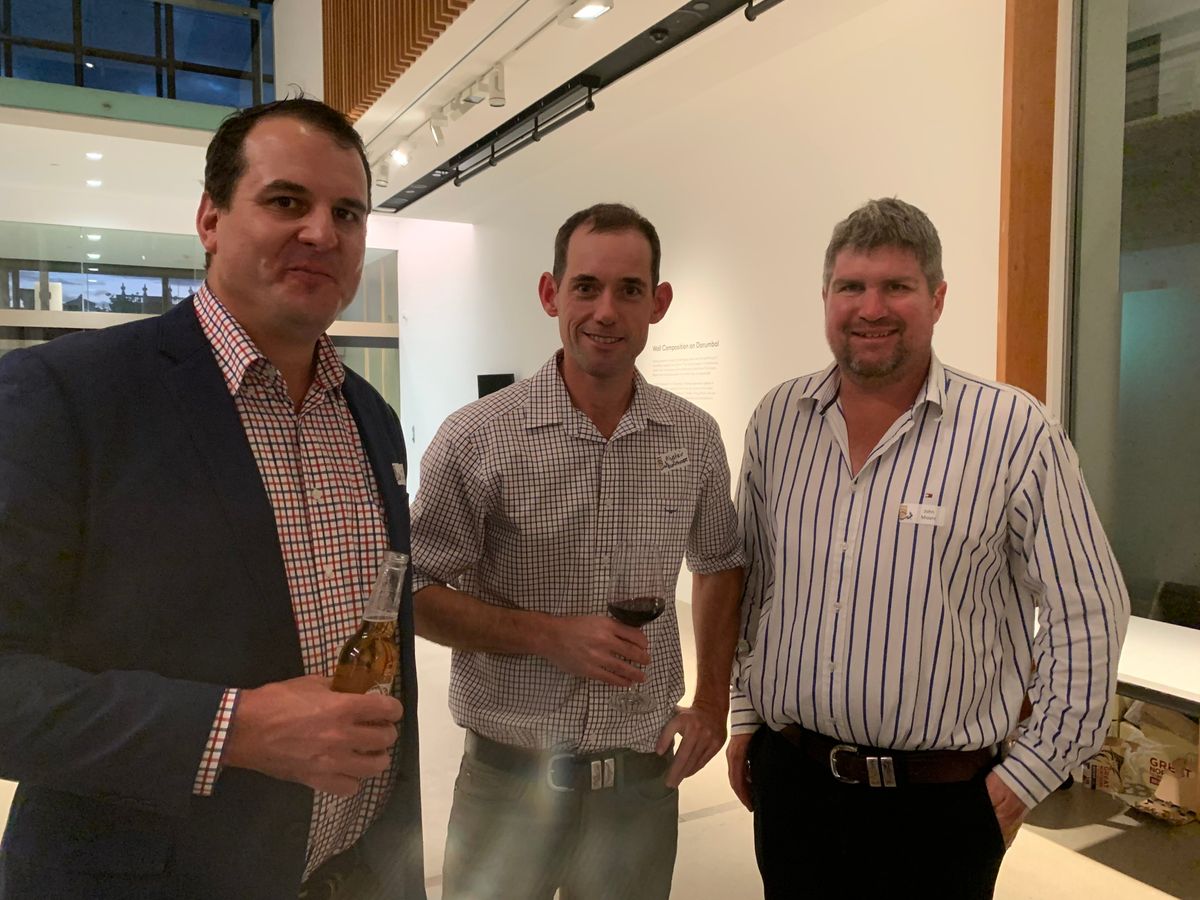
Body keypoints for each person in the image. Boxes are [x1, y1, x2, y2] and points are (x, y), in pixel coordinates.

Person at [0, 98, 425, 900]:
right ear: (209, 219)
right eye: (286, 201)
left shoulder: (371, 417)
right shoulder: (64, 397)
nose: (322, 233)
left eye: (347, 213)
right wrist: (234, 729)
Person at [727, 198, 1129, 899]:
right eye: (851, 286)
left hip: (940, 808)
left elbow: (1089, 610)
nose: (870, 308)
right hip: (794, 788)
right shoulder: (778, 422)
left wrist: (1027, 776)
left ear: (937, 298)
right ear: (825, 297)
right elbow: (754, 586)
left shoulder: (1013, 431)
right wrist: (744, 718)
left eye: (897, 286)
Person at [410, 203, 744, 899]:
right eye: (586, 287)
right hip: (508, 783)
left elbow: (718, 564)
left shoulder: (693, 436)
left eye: (629, 290)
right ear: (550, 293)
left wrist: (713, 700)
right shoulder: (478, 437)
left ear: (658, 303)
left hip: (639, 783)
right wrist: (548, 636)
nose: (606, 312)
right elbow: (414, 593)